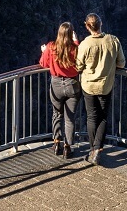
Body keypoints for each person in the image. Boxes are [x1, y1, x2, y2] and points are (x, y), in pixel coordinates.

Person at [76, 13, 125, 166]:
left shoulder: (85, 44)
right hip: (105, 85)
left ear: (87, 26)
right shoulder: (113, 40)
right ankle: (98, 148)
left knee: (91, 117)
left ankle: (93, 150)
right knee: (103, 117)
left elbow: (78, 66)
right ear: (101, 24)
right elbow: (121, 64)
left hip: (89, 86)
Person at [39, 22, 81, 159]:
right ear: (71, 34)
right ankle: (67, 148)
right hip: (72, 84)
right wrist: (76, 41)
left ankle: (57, 143)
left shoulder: (51, 47)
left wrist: (44, 51)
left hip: (56, 84)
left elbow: (43, 63)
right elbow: (80, 64)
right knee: (70, 119)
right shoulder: (76, 48)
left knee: (57, 114)